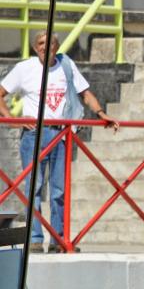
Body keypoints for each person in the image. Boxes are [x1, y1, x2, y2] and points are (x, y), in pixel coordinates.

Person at [0, 31, 119, 253]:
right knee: (33, 188)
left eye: (50, 43)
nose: (46, 46)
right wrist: (14, 121)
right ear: (35, 48)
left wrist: (102, 114)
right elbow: (1, 93)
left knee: (59, 189)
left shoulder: (66, 64)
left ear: (57, 46)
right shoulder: (24, 68)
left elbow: (85, 93)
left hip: (61, 133)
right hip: (34, 134)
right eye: (41, 43)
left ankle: (58, 239)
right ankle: (35, 238)